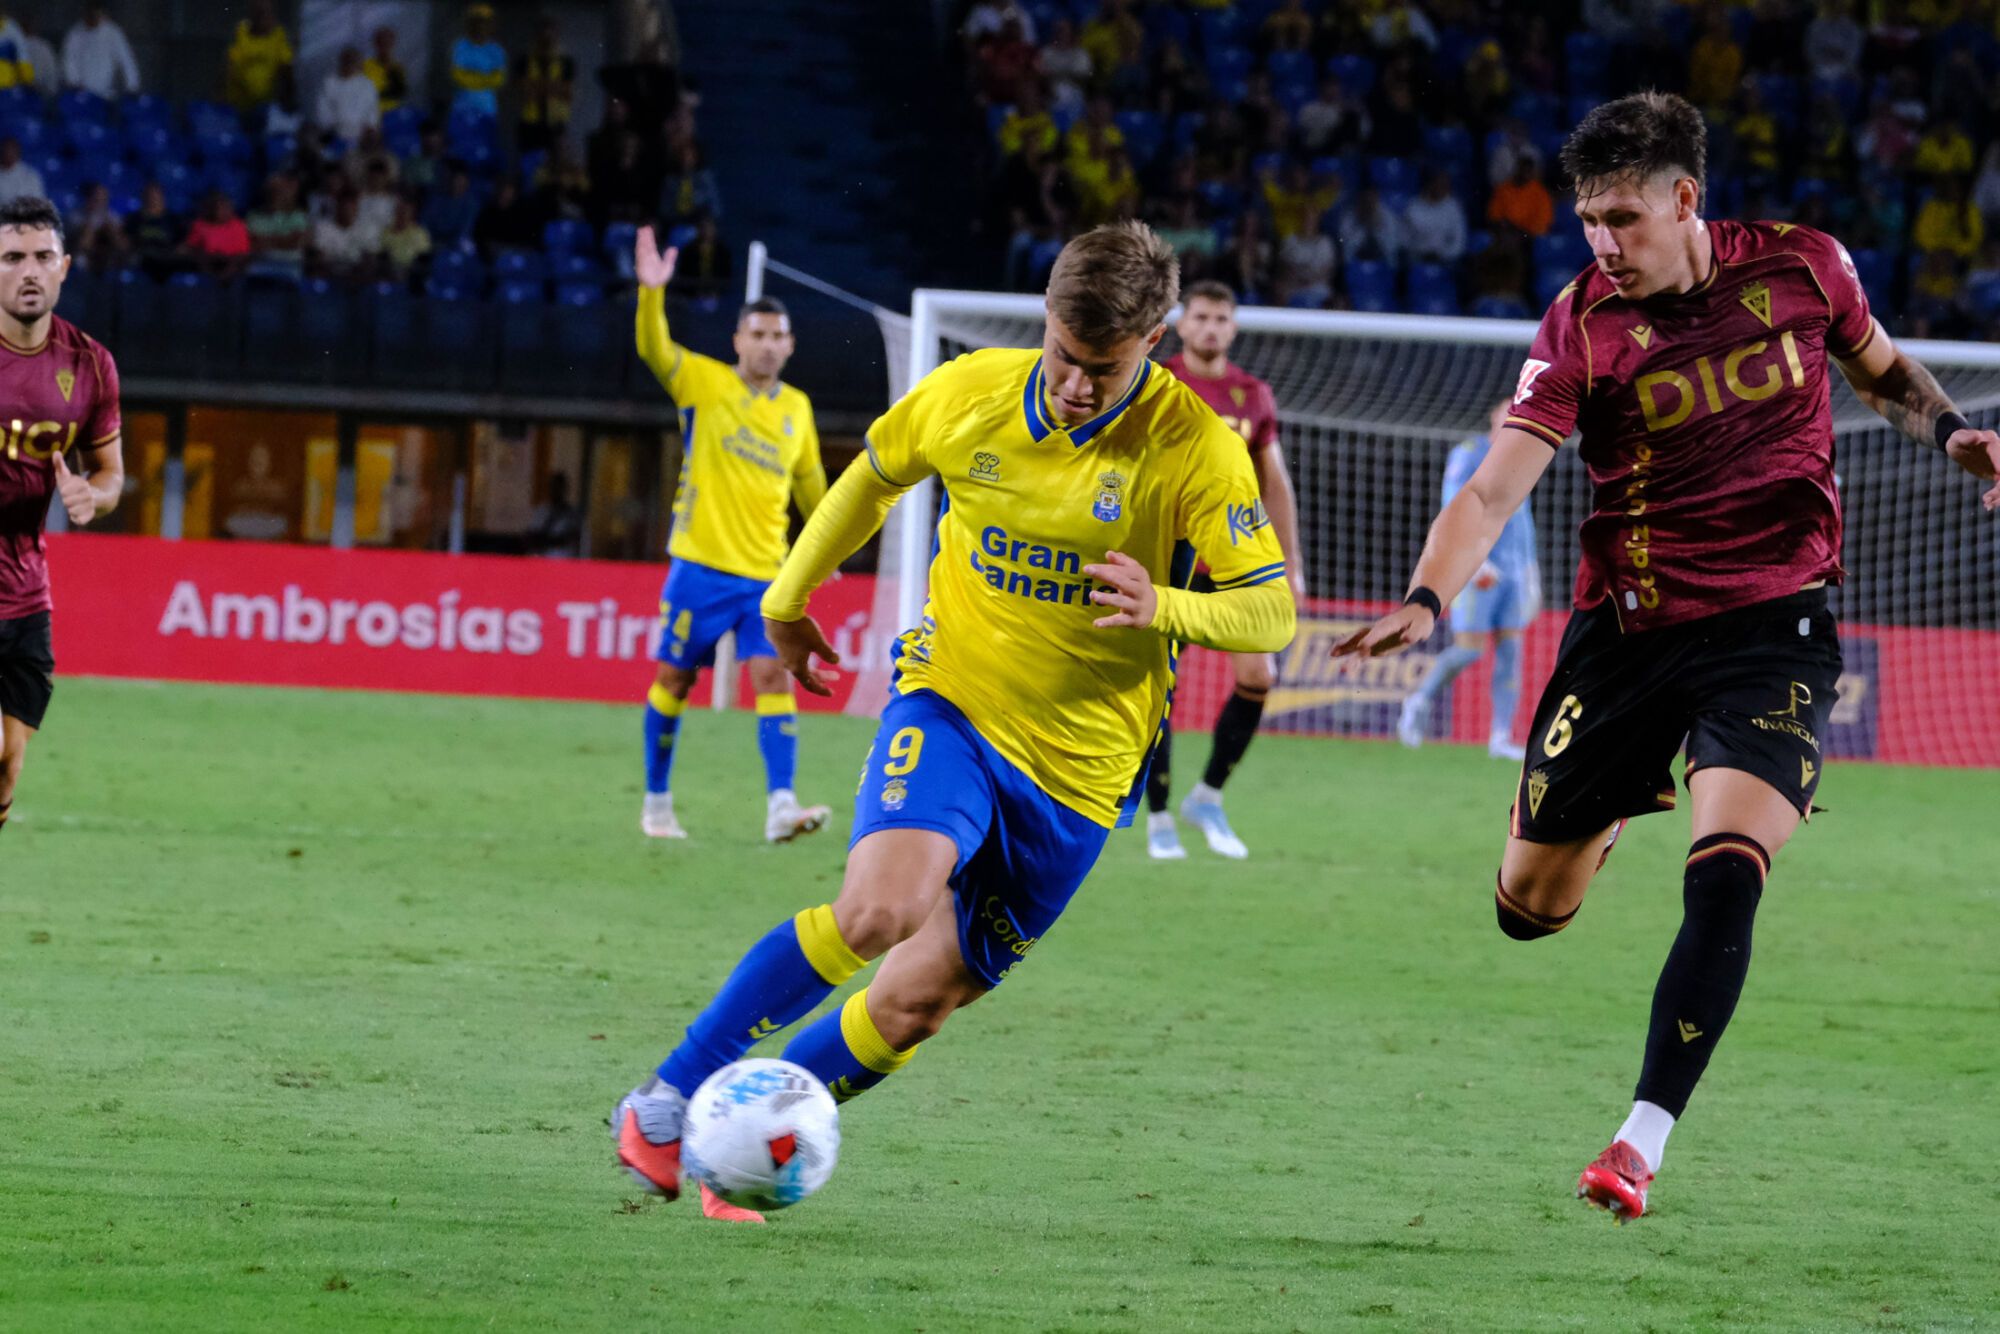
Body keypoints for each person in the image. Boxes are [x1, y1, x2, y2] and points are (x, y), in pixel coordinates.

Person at [1335, 92, 2000, 1222]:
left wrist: (1952, 433)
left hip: (1776, 624)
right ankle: (1603, 816)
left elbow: (1883, 373)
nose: (1601, 242)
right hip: (1628, 632)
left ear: (1684, 199)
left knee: (1729, 866)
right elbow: (1493, 488)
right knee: (1526, 910)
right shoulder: (1580, 324)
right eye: (1587, 220)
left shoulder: (1804, 266)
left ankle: (1638, 1142)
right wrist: (1424, 597)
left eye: (1621, 218)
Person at [610, 222, 1295, 1220]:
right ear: (1044, 318)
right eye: (1063, 353)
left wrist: (1168, 605)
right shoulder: (971, 391)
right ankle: (667, 1099)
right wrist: (787, 599)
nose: (1074, 384)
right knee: (879, 911)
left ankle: (744, 1144)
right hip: (954, 704)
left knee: (914, 1003)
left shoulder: (1195, 445)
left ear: (1152, 341)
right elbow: (873, 476)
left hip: (1081, 774)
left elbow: (1269, 611)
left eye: (1102, 368)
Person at [630, 226, 833, 845]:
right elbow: (654, 349)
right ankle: (657, 801)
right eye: (757, 335)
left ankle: (781, 805)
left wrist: (827, 547)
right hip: (699, 566)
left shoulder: (797, 408)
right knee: (675, 681)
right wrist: (651, 294)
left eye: (777, 336)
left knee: (772, 677)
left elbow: (812, 487)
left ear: (790, 344)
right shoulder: (704, 383)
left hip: (766, 576)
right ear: (738, 339)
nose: (767, 345)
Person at [1144, 280, 1304, 860]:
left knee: (1259, 677)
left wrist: (1292, 565)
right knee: (1158, 687)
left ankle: (1207, 796)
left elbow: (1274, 483)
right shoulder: (1156, 382)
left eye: (1221, 319)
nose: (1210, 328)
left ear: (1233, 328)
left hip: (1234, 559)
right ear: (1182, 324)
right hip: (1169, 560)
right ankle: (1158, 814)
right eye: (1202, 317)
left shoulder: (1252, 394)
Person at [0, 196, 125, 841]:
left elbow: (111, 475)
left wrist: (91, 498)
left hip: (26, 593)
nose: (28, 271)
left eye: (41, 257)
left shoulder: (90, 364)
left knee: (7, 763)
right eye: (11, 257)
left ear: (65, 267)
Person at [1396, 397, 1541, 760]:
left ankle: (1500, 737)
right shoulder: (1470, 453)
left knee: (1511, 653)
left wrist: (1530, 572)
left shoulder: (1524, 457)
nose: (1513, 418)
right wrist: (1474, 560)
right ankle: (1418, 700)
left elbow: (1522, 519)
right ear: (1494, 417)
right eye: (1508, 412)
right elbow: (1454, 505)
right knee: (1469, 649)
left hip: (1513, 573)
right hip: (1478, 571)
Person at [514, 18, 574, 154]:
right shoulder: (524, 61)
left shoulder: (566, 62)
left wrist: (536, 85)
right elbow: (525, 91)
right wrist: (553, 87)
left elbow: (567, 93)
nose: (547, 41)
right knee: (530, 162)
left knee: (557, 159)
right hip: (530, 123)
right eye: (543, 37)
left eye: (551, 37)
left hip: (556, 123)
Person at [60, 3, 139, 100]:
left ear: (102, 15)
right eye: (91, 16)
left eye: (96, 16)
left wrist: (132, 86)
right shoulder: (75, 34)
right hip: (82, 93)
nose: (93, 19)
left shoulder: (113, 33)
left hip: (106, 94)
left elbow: (126, 59)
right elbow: (69, 60)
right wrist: (74, 81)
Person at [225, 0, 293, 112]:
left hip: (269, 108)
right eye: (259, 13)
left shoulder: (278, 36)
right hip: (239, 106)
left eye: (267, 13)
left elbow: (287, 66)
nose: (263, 18)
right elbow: (229, 66)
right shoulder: (241, 33)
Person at [450, 3, 506, 121]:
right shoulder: (461, 46)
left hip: (487, 109)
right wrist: (485, 79)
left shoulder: (496, 50)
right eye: (478, 22)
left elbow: (499, 79)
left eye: (486, 22)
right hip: (462, 108)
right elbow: (458, 75)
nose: (481, 26)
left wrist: (472, 77)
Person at [315, 45, 380, 144]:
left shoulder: (367, 84)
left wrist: (370, 126)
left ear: (359, 64)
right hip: (335, 132)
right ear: (341, 62)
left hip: (362, 134)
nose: (350, 65)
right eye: (347, 61)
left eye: (354, 62)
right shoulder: (329, 82)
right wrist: (334, 127)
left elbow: (373, 109)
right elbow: (322, 109)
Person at [362, 26, 407, 114]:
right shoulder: (365, 66)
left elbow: (399, 93)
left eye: (387, 43)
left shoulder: (398, 67)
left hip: (392, 113)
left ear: (392, 44)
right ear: (375, 44)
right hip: (370, 113)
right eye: (381, 43)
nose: (384, 47)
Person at [0, 137, 44, 206]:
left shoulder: (30, 175)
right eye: (5, 151)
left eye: (12, 152)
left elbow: (38, 201)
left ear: (18, 153)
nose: (8, 154)